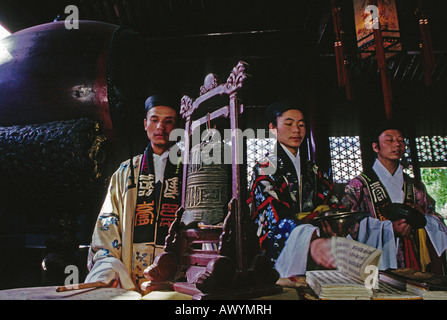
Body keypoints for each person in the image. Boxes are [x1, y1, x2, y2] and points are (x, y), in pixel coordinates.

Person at [85, 94, 183, 290]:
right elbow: (108, 223)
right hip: (131, 279)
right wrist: (107, 268)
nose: (160, 127)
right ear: (145, 124)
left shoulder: (189, 169)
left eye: (168, 121)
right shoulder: (126, 171)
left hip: (178, 279)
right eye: (154, 120)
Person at [248, 100, 340, 278]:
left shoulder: (312, 169)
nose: (296, 130)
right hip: (283, 246)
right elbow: (271, 211)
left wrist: (333, 221)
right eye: (289, 124)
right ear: (273, 128)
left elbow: (331, 201)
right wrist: (309, 235)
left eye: (301, 125)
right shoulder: (265, 166)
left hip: (319, 242)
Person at [343, 120, 447, 274]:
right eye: (390, 140)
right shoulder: (359, 185)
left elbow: (437, 220)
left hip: (413, 260)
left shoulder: (415, 186)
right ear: (375, 146)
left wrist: (422, 218)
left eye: (400, 140)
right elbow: (347, 224)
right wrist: (388, 229)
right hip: (375, 262)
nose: (397, 144)